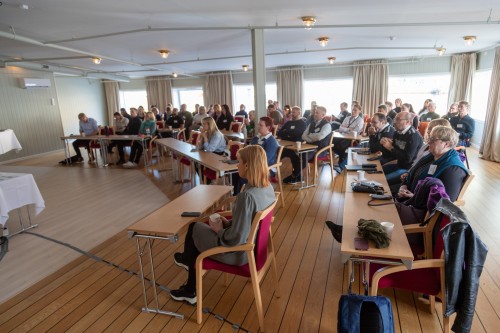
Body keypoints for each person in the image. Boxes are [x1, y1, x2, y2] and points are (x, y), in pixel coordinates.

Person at [170, 145, 276, 305]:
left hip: (238, 253)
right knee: (198, 231)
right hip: (254, 249)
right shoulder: (267, 188)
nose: (237, 165)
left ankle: (190, 288)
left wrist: (220, 230)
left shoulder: (247, 196)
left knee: (195, 228)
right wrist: (228, 223)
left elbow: (235, 239)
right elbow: (249, 221)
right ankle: (187, 264)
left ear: (247, 165)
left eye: (239, 162)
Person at [397, 126, 468, 202]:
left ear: (446, 144)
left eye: (433, 140)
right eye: (430, 138)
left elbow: (446, 202)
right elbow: (412, 173)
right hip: (408, 198)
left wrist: (414, 197)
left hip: (422, 209)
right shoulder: (432, 156)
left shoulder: (453, 169)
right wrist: (403, 186)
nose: (428, 142)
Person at [283, 106, 332, 184]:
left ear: (323, 115)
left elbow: (319, 137)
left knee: (304, 155)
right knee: (292, 153)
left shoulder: (327, 125)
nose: (314, 114)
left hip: (320, 149)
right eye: (315, 112)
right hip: (309, 146)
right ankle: (299, 177)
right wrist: (311, 138)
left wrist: (309, 136)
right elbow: (303, 136)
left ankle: (294, 175)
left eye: (317, 113)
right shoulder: (312, 123)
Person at [381, 111, 423, 186]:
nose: (394, 122)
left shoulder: (414, 136)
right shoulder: (397, 132)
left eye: (398, 119)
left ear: (407, 122)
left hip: (407, 170)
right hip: (398, 165)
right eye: (395, 119)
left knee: (382, 181)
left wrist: (390, 147)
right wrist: (384, 145)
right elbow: (391, 155)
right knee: (377, 171)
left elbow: (407, 159)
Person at [333, 103, 364, 171]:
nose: (353, 112)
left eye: (355, 110)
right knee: (332, 142)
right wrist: (348, 129)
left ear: (359, 112)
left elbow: (355, 131)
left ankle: (341, 164)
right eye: (352, 110)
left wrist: (345, 129)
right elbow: (340, 128)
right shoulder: (347, 118)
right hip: (343, 136)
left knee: (341, 145)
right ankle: (340, 161)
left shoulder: (360, 120)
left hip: (352, 139)